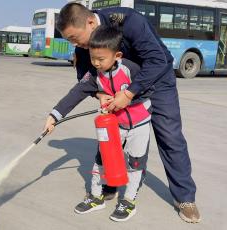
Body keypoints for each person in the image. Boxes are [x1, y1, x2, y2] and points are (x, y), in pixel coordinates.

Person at [50, 3, 200, 223]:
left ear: (90, 22)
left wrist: (130, 93)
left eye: (74, 38)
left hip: (156, 81)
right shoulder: (83, 46)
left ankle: (185, 197)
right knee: (114, 138)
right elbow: (84, 77)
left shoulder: (128, 21)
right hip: (117, 88)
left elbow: (156, 60)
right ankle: (110, 184)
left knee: (169, 135)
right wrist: (100, 94)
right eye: (70, 41)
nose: (75, 45)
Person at [44, 25, 152, 221]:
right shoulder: (95, 75)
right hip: (113, 126)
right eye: (93, 58)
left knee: (135, 163)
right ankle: (96, 197)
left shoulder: (131, 69)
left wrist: (127, 98)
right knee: (101, 160)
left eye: (101, 59)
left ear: (117, 55)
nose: (96, 63)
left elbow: (147, 88)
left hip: (140, 124)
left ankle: (128, 201)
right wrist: (54, 116)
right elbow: (76, 94)